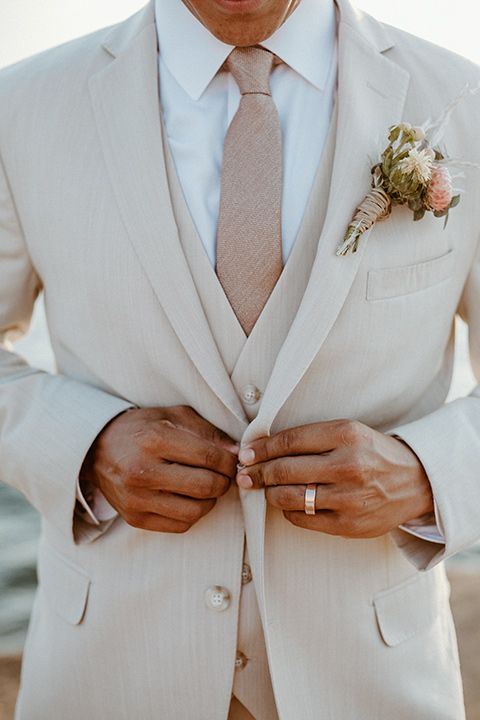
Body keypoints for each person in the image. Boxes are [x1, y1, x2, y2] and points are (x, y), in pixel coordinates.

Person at [0, 0, 479, 717]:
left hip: (374, 678)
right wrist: (83, 445)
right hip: (109, 673)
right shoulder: (22, 108)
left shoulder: (462, 102)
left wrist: (427, 473)